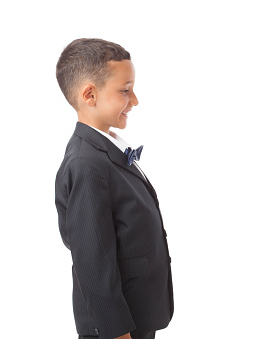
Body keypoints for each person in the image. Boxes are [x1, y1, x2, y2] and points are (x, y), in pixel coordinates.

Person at [55, 38, 173, 339]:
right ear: (90, 95)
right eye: (125, 90)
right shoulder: (86, 165)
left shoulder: (106, 151)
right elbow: (93, 263)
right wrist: (116, 332)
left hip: (137, 314)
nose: (134, 101)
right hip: (116, 329)